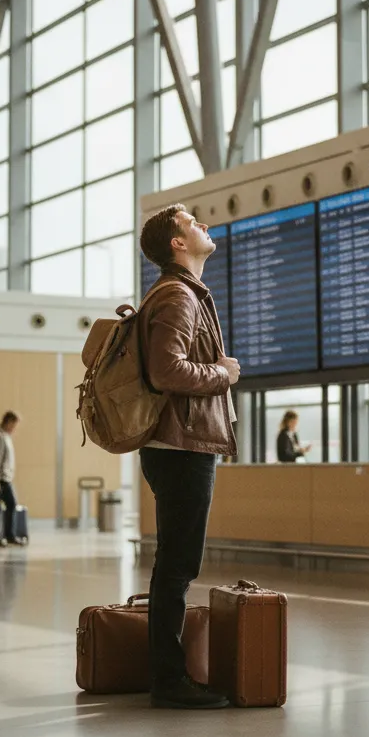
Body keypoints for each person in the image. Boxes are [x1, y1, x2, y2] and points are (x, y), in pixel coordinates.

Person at [139, 203, 239, 710]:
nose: (205, 225)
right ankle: (168, 680)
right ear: (178, 243)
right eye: (193, 222)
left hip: (175, 444)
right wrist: (224, 373)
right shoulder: (179, 295)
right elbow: (166, 372)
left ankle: (165, 673)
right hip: (182, 446)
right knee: (177, 567)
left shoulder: (177, 292)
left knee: (174, 565)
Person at [0, 411, 25, 548]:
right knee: (3, 506)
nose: (15, 428)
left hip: (4, 478)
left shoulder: (5, 436)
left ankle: (3, 536)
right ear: (8, 422)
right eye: (14, 424)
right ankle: (2, 536)